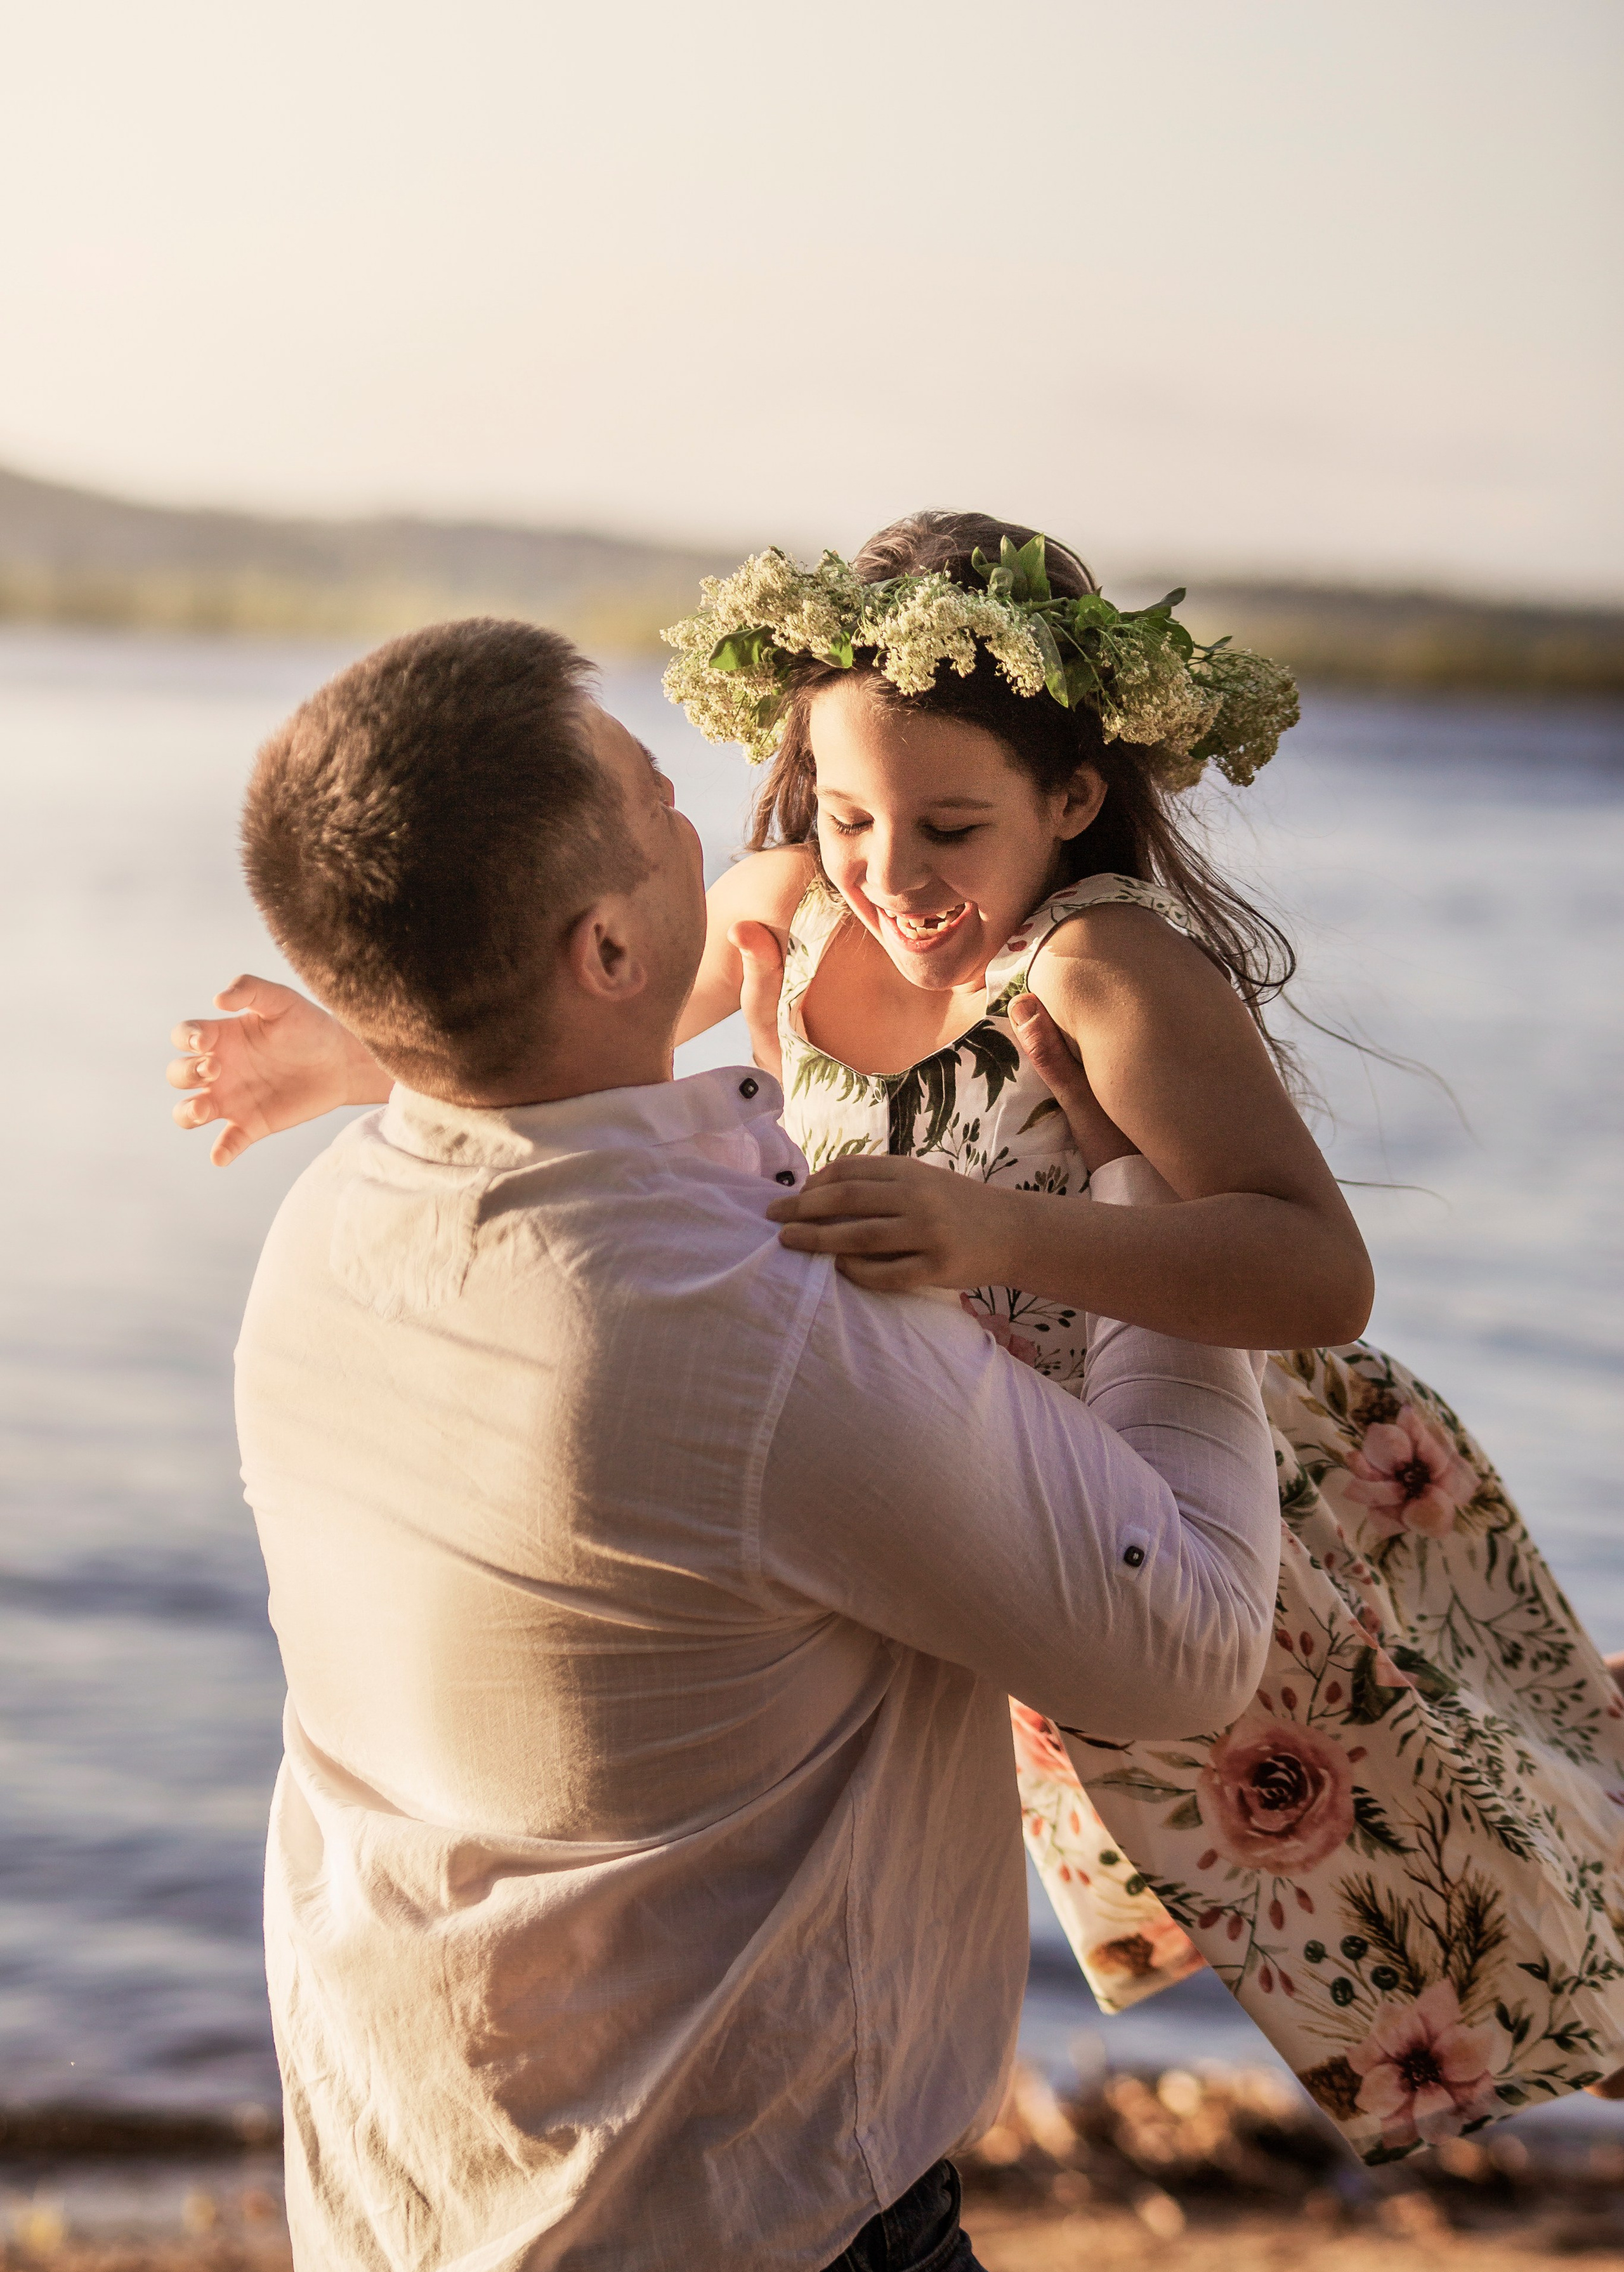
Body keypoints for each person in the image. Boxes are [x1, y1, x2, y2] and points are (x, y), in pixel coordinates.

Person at [173, 513, 1624, 2155]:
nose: (893, 874)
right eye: (852, 811)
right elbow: (566, 1019)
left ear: (1071, 801)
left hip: (1211, 1490)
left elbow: (1315, 1270)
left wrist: (1005, 1230)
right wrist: (352, 1057)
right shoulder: (792, 907)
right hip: (982, 1508)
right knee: (1270, 1920)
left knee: (1481, 1897)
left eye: (950, 826)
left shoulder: (1103, 972)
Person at [213, 616, 1281, 2272]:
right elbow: (1185, 1647)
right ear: (615, 945)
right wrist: (1128, 1183)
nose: (731, 816)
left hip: (397, 2233)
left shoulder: (331, 1227)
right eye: (656, 797)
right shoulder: (774, 1327)